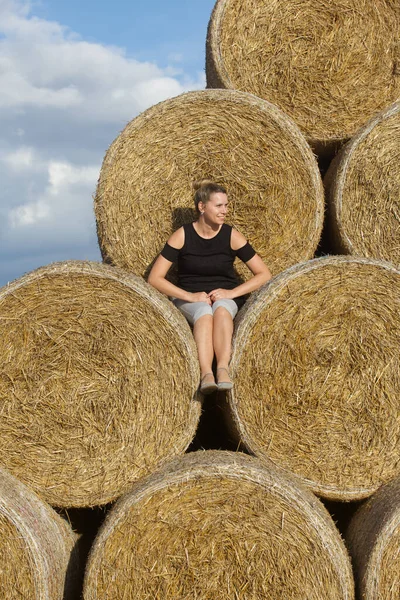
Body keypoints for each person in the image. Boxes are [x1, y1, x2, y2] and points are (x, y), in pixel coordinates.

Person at [148, 180, 272, 394]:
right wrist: (190, 296)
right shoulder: (182, 235)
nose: (225, 211)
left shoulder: (231, 235)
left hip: (225, 295)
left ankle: (222, 369)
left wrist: (232, 293)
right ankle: (206, 373)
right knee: (205, 312)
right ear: (202, 207)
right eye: (219, 206)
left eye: (226, 205)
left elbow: (264, 274)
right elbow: (155, 278)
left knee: (222, 308)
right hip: (190, 298)